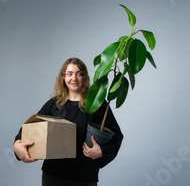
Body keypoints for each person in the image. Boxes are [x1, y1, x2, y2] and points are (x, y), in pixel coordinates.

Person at [13, 57, 124, 186]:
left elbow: (117, 134)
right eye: (69, 74)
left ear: (85, 77)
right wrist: (17, 144)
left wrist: (102, 152)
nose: (74, 79)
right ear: (63, 78)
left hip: (85, 176)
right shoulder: (54, 104)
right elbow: (31, 126)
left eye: (79, 74)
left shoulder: (96, 103)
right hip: (53, 176)